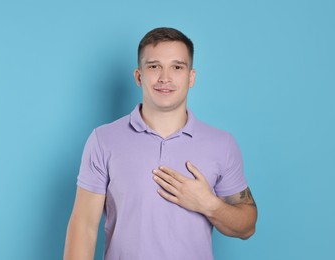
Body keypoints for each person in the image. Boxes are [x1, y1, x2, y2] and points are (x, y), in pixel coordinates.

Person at [64, 27, 257, 260]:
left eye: (177, 67)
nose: (165, 77)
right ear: (139, 76)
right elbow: (83, 227)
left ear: (191, 77)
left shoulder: (222, 144)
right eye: (154, 66)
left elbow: (247, 227)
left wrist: (209, 205)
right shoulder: (103, 140)